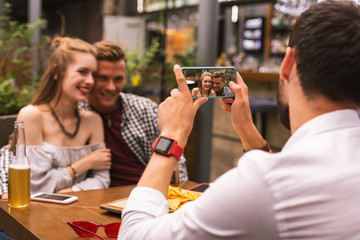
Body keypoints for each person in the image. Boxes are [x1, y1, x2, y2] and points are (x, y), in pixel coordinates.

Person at [118, 1, 360, 239]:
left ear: (288, 64)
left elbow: (133, 235)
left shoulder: (264, 183)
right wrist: (246, 128)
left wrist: (170, 136)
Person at [0, 36, 111, 198]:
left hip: (75, 210)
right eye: (82, 72)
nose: (90, 81)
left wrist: (70, 191)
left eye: (93, 74)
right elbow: (32, 187)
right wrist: (83, 165)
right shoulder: (31, 115)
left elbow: (102, 179)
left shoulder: (92, 120)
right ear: (56, 72)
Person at [84, 40, 188, 186]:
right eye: (103, 78)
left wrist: (173, 196)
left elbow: (177, 161)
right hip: (95, 198)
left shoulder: (144, 108)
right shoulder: (75, 114)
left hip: (148, 195)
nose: (111, 87)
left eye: (118, 79)